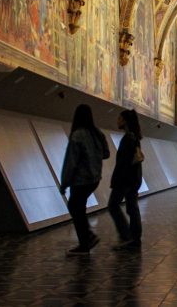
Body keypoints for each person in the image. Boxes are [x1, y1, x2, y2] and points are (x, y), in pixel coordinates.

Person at [60, 104, 110, 256]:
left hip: (80, 180)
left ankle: (86, 241)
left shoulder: (77, 135)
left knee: (75, 207)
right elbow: (106, 154)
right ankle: (86, 239)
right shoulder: (97, 133)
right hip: (94, 179)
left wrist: (64, 182)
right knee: (78, 207)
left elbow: (71, 161)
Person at [108, 109, 144, 249]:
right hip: (133, 179)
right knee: (132, 207)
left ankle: (127, 237)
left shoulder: (128, 138)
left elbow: (123, 162)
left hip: (125, 179)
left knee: (113, 205)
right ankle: (135, 239)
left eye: (119, 118)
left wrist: (117, 180)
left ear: (125, 121)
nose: (117, 121)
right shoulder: (134, 137)